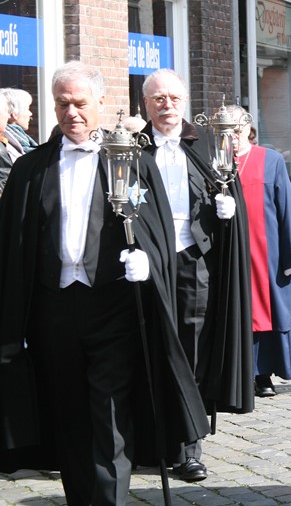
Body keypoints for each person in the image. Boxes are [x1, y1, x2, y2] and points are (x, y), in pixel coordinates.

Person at [0, 61, 209, 505]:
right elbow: (11, 245)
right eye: (62, 104)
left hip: (113, 304)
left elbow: (157, 232)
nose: (72, 112)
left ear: (100, 103)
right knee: (69, 413)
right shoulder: (31, 169)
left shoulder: (132, 162)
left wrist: (146, 260)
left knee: (110, 410)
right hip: (53, 309)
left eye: (80, 103)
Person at [140, 69, 253, 482]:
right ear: (146, 104)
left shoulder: (207, 144)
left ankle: (189, 447)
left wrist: (226, 214)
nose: (166, 105)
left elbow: (226, 191)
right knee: (151, 346)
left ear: (184, 101)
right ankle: (152, 439)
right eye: (157, 99)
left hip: (194, 261)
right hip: (149, 264)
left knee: (191, 350)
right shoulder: (133, 149)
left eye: (173, 97)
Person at [231, 107, 291, 395]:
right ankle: (234, 375)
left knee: (266, 313)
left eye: (236, 131)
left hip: (267, 254)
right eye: (225, 132)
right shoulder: (214, 163)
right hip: (228, 255)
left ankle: (262, 374)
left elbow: (287, 207)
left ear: (248, 130)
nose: (231, 138)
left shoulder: (270, 160)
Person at [1, 87, 36, 154]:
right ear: (14, 114)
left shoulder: (18, 138)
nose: (30, 113)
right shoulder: (7, 143)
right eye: (27, 109)